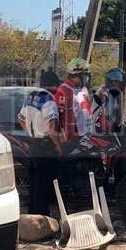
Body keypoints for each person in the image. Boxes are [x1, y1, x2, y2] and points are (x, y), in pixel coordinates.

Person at [18, 70, 64, 217]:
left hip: (33, 144)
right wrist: (59, 146)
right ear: (53, 85)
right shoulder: (49, 100)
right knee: (43, 184)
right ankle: (42, 217)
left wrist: (30, 133)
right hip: (45, 146)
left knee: (33, 182)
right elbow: (51, 127)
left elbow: (21, 118)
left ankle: (32, 215)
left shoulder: (31, 97)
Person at [55, 58, 95, 145]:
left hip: (88, 135)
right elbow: (57, 115)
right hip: (73, 138)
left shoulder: (84, 89)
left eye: (87, 75)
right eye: (83, 76)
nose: (86, 78)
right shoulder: (64, 90)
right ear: (74, 75)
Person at [92, 67, 126, 134]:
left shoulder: (117, 94)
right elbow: (101, 94)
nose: (118, 85)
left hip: (111, 128)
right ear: (109, 82)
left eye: (121, 83)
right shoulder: (103, 91)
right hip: (98, 129)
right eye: (116, 83)